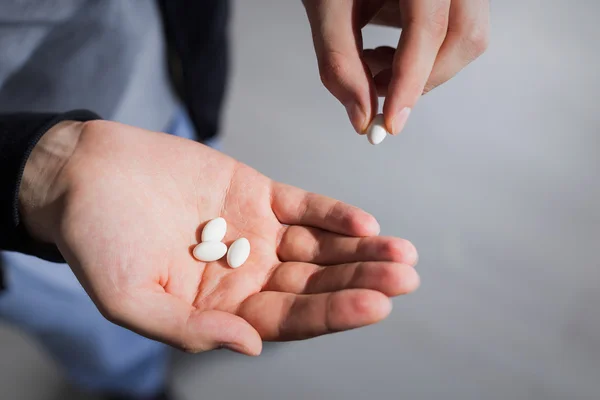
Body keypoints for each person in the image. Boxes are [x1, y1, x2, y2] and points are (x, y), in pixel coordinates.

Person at [0, 1, 489, 399]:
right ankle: (127, 385)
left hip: (155, 104)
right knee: (97, 333)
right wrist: (40, 169)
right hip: (20, 213)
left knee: (193, 188)